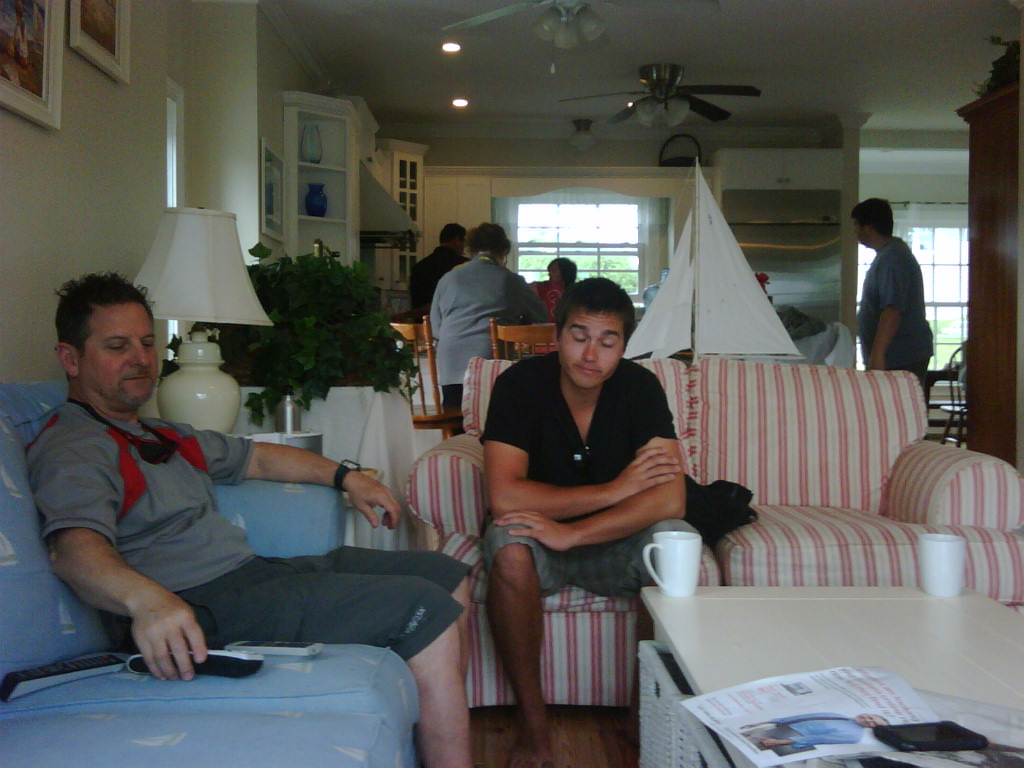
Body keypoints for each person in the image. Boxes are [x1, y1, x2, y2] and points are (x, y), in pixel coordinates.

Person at [27, 272, 473, 768]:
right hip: (198, 604)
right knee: (423, 607)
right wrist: (148, 601)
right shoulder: (75, 446)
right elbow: (73, 549)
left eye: (147, 343)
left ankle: (437, 736)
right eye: (117, 346)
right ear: (70, 358)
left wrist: (346, 477)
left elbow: (257, 458)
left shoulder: (162, 433)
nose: (140, 358)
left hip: (251, 576)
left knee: (445, 573)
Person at [480, 277, 693, 768]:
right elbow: (504, 496)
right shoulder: (518, 385)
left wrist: (573, 531)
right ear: (558, 334)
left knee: (675, 539)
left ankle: (644, 716)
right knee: (508, 545)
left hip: (613, 543)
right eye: (579, 337)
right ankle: (533, 727)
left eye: (607, 341)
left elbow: (671, 499)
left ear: (624, 346)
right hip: (539, 543)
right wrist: (615, 490)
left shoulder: (640, 387)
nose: (590, 355)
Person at [431, 222, 547, 409]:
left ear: (471, 248)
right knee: (493, 416)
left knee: (455, 415)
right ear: (505, 250)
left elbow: (436, 328)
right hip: (490, 364)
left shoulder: (448, 279)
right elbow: (541, 315)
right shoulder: (510, 280)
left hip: (450, 364)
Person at [853, 198, 933, 386]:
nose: (855, 231)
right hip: (898, 356)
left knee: (896, 403)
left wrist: (878, 356)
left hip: (900, 356)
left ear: (868, 227)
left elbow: (892, 309)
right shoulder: (890, 254)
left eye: (856, 225)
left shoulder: (893, 257)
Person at [743, 712, 889, 752]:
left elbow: (818, 739)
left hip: (788, 738)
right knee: (741, 738)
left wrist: (778, 742)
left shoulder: (854, 735)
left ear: (873, 728)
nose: (868, 720)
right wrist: (766, 722)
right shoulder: (839, 716)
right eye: (870, 717)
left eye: (873, 723)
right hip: (780, 727)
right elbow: (804, 716)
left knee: (747, 747)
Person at [409, 222, 467, 312]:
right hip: (453, 319)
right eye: (463, 242)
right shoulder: (464, 266)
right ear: (457, 239)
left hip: (423, 319)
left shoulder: (419, 267)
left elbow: (416, 305)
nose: (463, 247)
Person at [531, 257, 577, 322]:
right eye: (549, 271)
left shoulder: (575, 291)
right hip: (544, 324)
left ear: (565, 272)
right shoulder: (540, 286)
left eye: (554, 271)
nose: (549, 274)